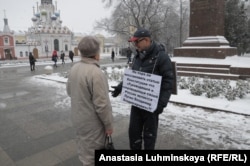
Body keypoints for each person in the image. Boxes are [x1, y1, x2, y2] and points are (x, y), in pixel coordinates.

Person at [111, 28, 174, 150]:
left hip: (152, 107)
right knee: (133, 135)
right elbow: (133, 77)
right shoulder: (137, 56)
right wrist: (120, 87)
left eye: (136, 42)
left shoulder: (162, 57)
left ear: (146, 40)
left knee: (149, 138)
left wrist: (161, 104)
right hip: (137, 103)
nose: (135, 45)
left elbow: (168, 82)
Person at [66, 36, 113, 165]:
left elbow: (69, 91)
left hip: (78, 119)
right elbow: (102, 105)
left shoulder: (75, 68)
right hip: (93, 124)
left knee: (84, 150)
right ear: (96, 53)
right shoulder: (96, 73)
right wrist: (108, 125)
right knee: (93, 156)